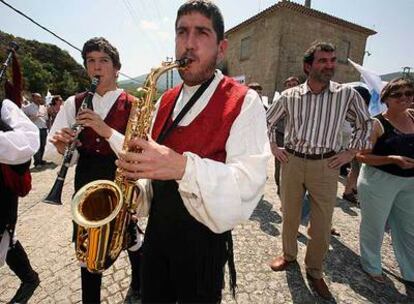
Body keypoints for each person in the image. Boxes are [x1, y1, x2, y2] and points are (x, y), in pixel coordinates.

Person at [116, 1, 271, 302]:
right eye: (181, 32)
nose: (188, 44)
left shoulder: (245, 101)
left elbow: (249, 183)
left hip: (203, 246)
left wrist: (183, 168)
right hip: (157, 236)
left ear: (221, 47)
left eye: (201, 33)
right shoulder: (163, 100)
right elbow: (151, 175)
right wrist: (136, 190)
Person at [266, 41, 372, 299]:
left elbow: (365, 124)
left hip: (326, 165)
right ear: (308, 66)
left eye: (333, 60)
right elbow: (268, 120)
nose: (330, 65)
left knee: (322, 225)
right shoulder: (290, 96)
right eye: (323, 61)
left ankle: (314, 270)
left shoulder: (346, 95)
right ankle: (289, 256)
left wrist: (349, 153)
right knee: (290, 215)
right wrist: (274, 148)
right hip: (292, 162)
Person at [44, 37, 142, 303]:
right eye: (91, 62)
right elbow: (52, 153)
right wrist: (64, 147)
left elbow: (138, 153)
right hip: (85, 180)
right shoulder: (73, 103)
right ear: (86, 67)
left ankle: (139, 281)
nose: (97, 67)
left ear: (116, 68)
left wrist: (105, 130)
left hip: (120, 177)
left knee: (128, 234)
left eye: (104, 61)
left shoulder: (133, 104)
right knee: (87, 246)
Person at [357, 77, 414, 286]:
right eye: (397, 94)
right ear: (386, 98)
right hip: (378, 181)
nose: (404, 98)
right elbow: (361, 156)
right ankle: (371, 265)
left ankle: (411, 272)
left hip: (410, 183)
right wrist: (391, 159)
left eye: (409, 93)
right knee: (375, 225)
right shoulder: (376, 123)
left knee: (409, 228)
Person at [0, 50, 41, 304]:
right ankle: (29, 277)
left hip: (2, 195)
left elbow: (27, 144)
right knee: (9, 241)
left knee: (6, 236)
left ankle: (29, 278)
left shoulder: (5, 110)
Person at [342, 86, 372, 205]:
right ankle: (349, 190)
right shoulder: (347, 112)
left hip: (352, 149)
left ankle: (350, 189)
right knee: (356, 170)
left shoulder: (361, 113)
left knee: (355, 170)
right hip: (349, 150)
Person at [272, 76, 300, 196]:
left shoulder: (303, 101)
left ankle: (291, 190)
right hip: (281, 136)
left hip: (297, 140)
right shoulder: (280, 100)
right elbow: (271, 121)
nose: (292, 86)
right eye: (289, 84)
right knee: (280, 163)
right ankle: (280, 187)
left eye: (294, 84)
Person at [22, 93, 48, 168]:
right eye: (37, 98)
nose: (39, 99)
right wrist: (34, 117)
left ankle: (41, 159)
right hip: (34, 128)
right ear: (33, 98)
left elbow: (46, 118)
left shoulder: (43, 107)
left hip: (43, 127)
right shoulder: (27, 108)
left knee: (43, 145)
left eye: (40, 98)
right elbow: (24, 119)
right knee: (37, 145)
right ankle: (37, 162)